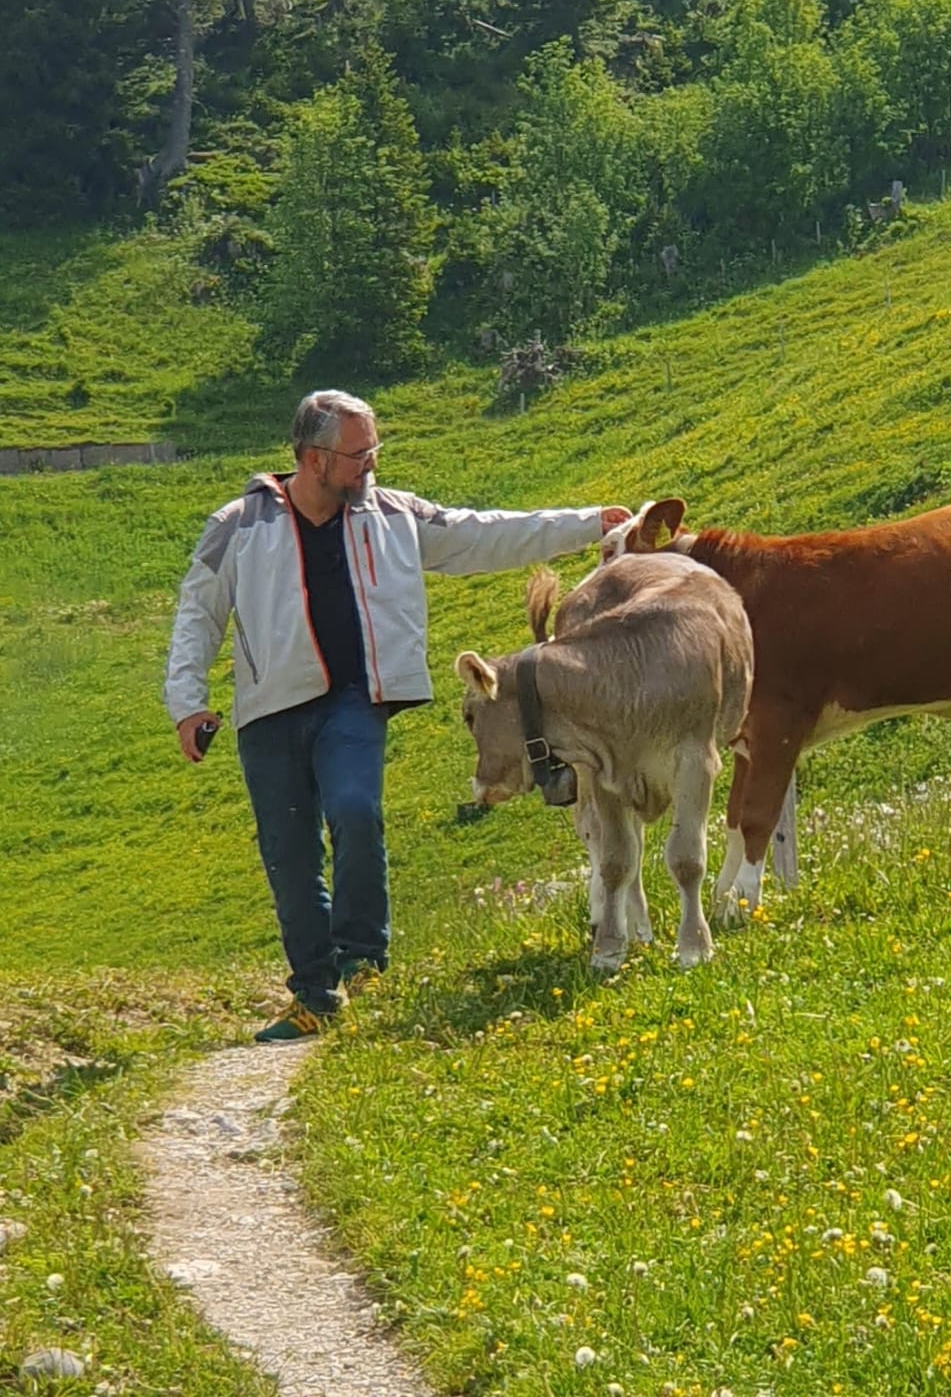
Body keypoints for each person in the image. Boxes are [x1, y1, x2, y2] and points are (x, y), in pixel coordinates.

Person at [165, 389, 630, 1043]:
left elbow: (480, 534)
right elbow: (198, 612)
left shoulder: (392, 514)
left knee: (356, 810)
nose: (372, 463)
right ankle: (314, 995)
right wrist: (187, 703)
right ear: (314, 458)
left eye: (374, 449)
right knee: (290, 856)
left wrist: (588, 523)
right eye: (359, 454)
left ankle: (363, 962)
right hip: (269, 712)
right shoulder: (238, 524)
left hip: (354, 700)